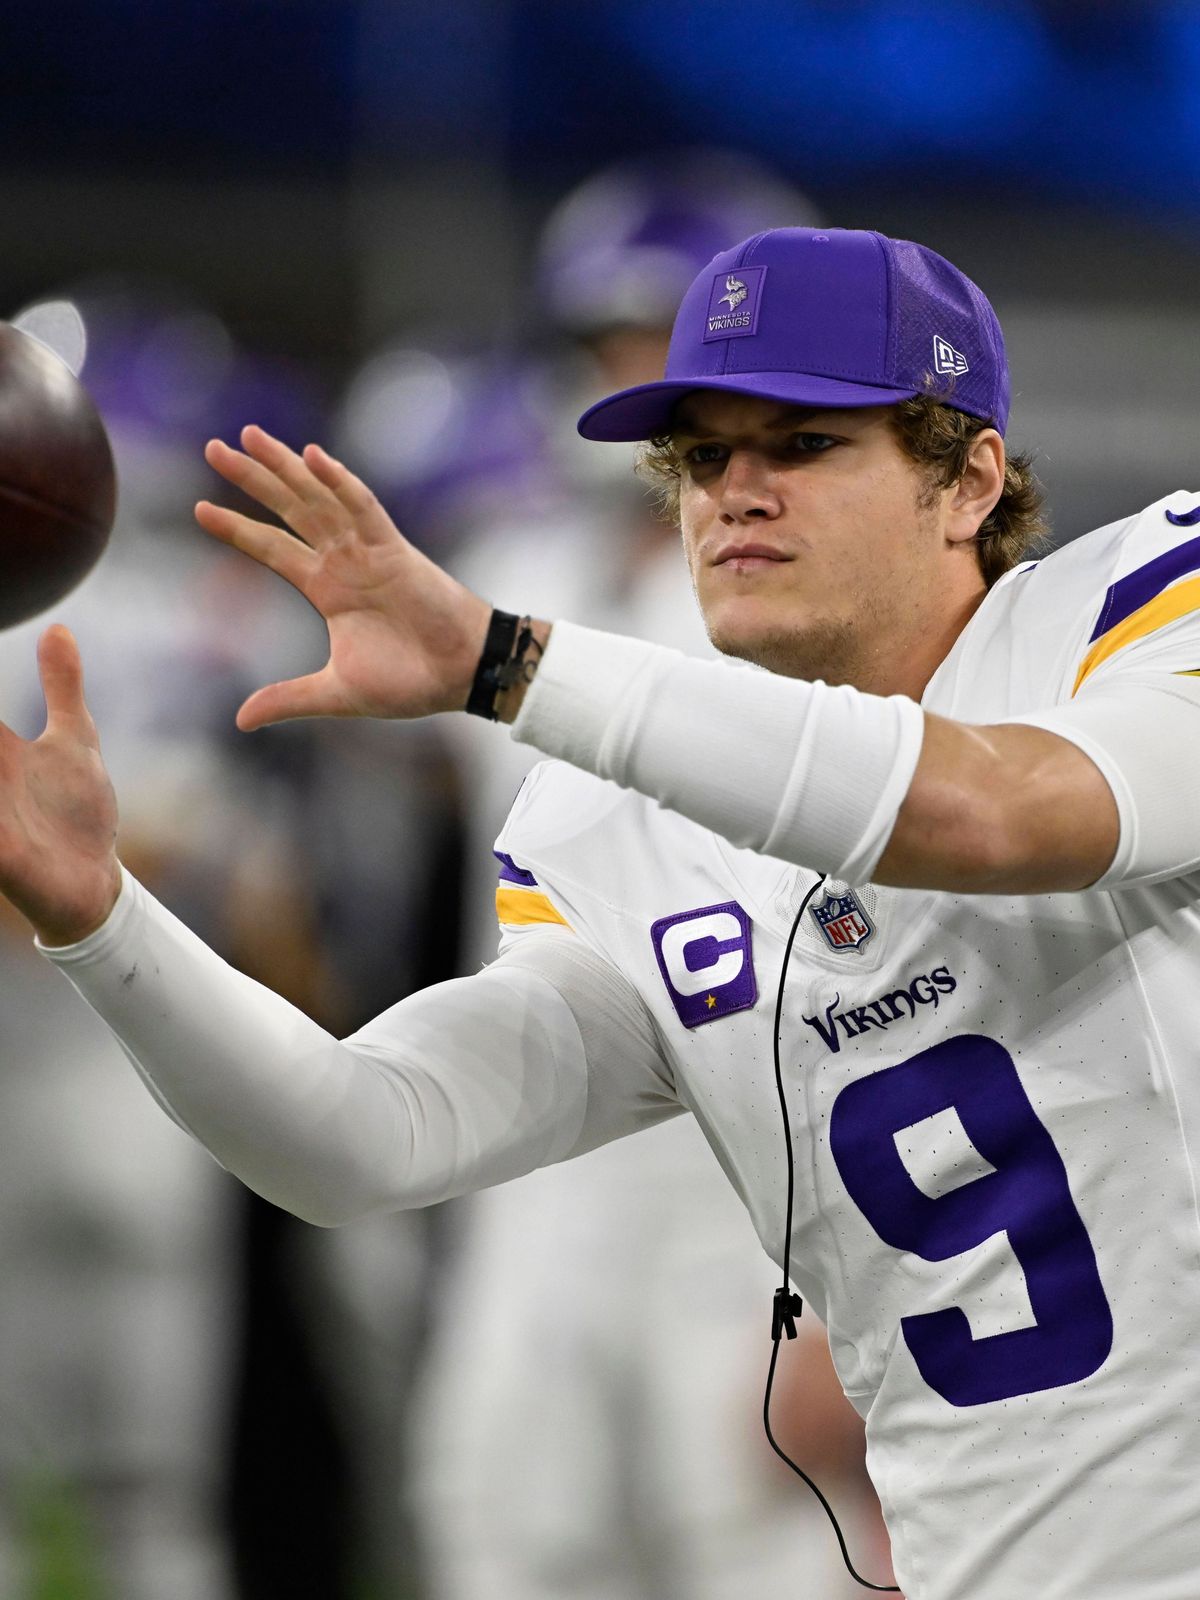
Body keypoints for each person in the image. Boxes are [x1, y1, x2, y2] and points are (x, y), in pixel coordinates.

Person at [5, 224, 1200, 1600]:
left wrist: (503, 663)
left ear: (969, 478)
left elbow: (1002, 812)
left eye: (805, 444)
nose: (735, 494)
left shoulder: (1134, 611)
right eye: (702, 456)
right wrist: (102, 917)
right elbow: (357, 1134)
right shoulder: (624, 832)